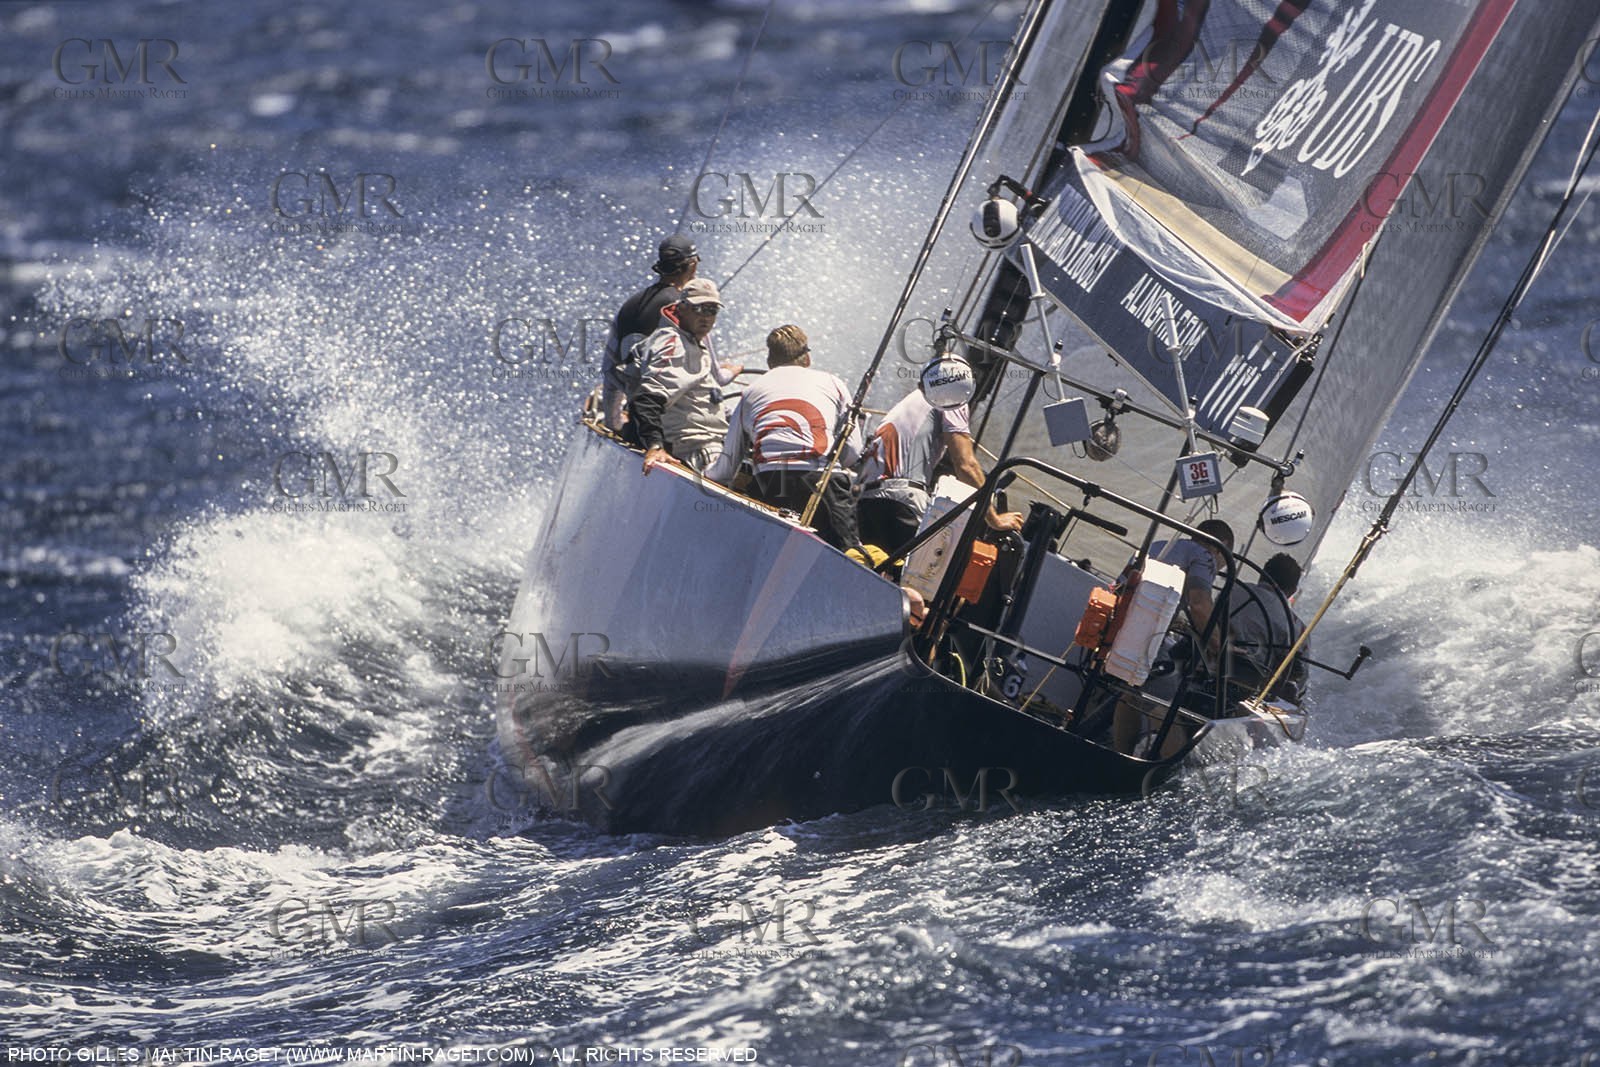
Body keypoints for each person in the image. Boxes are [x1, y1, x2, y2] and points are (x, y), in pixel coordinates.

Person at [704, 325, 865, 553]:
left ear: (770, 361)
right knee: (849, 560)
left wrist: (699, 472)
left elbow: (725, 470)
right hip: (824, 485)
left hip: (770, 485)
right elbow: (852, 453)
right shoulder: (834, 383)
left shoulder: (750, 392)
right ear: (807, 358)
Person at [855, 365, 1024, 555]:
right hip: (900, 502)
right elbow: (966, 465)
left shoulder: (913, 400)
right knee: (919, 575)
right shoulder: (950, 397)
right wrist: (994, 519)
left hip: (868, 499)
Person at [634, 277, 743, 474]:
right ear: (681, 308)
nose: (706, 317)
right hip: (699, 455)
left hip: (712, 448)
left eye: (712, 310)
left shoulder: (691, 342)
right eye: (699, 308)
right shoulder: (674, 344)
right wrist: (655, 446)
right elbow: (647, 398)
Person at [599, 235, 699, 432]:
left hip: (637, 407)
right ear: (693, 266)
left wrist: (613, 423)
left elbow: (610, 367)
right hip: (663, 419)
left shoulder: (630, 304)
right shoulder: (683, 307)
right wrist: (728, 373)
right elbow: (703, 371)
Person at [1227, 552, 1309, 702]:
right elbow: (1299, 679)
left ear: (1261, 576)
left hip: (1206, 662)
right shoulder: (1296, 626)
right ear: (1292, 591)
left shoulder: (1232, 590)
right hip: (1247, 687)